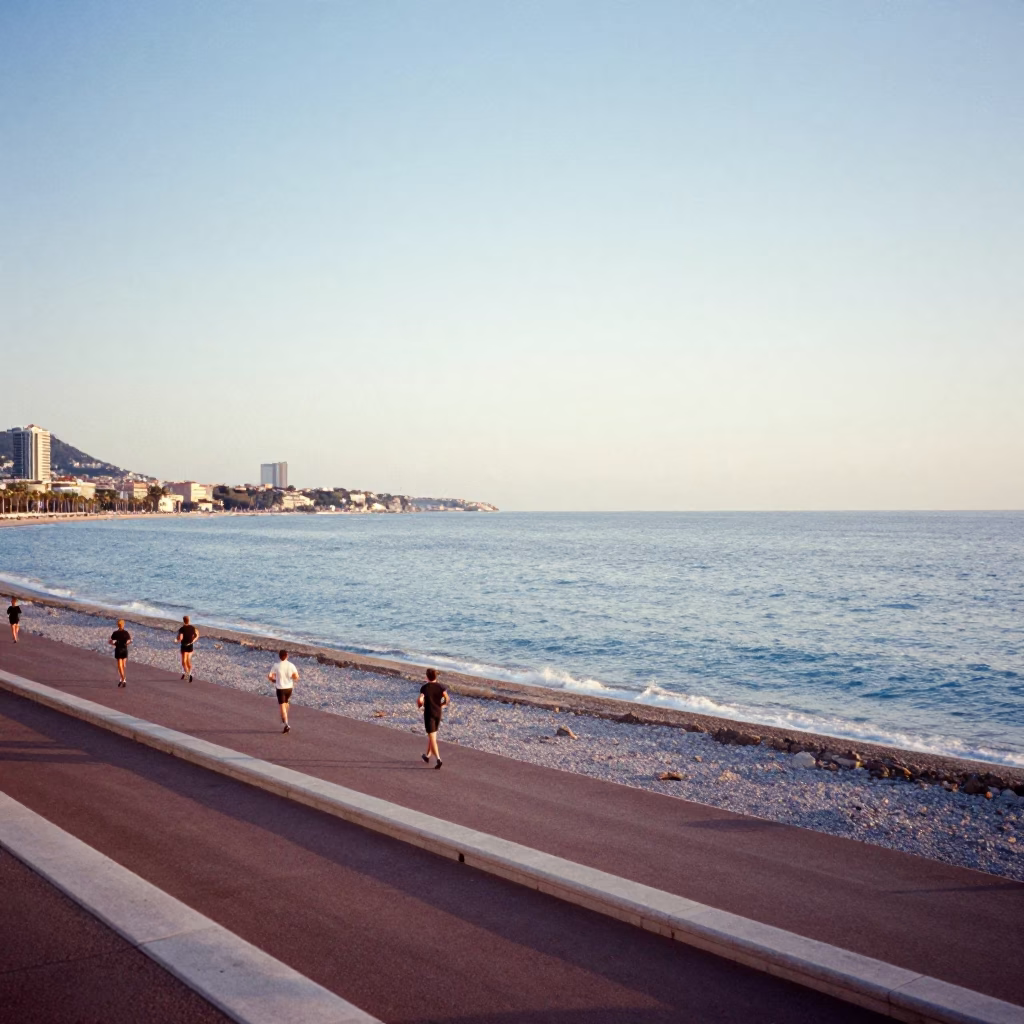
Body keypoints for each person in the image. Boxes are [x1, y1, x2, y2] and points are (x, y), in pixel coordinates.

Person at [417, 668, 449, 769]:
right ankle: (427, 756)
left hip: (429, 714)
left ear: (427, 676)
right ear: (436, 676)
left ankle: (438, 759)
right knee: (432, 735)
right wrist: (442, 705)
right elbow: (447, 699)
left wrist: (420, 701)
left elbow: (419, 703)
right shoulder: (441, 687)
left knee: (433, 738)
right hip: (438, 713)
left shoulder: (424, 688)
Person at [267, 649, 299, 733]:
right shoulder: (291, 665)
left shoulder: (276, 665)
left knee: (282, 706)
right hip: (289, 688)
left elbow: (270, 676)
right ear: (287, 655)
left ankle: (286, 724)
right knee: (286, 703)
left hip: (280, 689)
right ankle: (285, 716)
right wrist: (292, 677)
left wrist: (273, 680)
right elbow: (296, 677)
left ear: (279, 656)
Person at [108, 619, 131, 687]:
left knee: (120, 666)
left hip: (118, 650)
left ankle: (123, 679)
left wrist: (115, 644)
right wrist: (126, 643)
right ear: (123, 625)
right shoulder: (126, 633)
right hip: (124, 649)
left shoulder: (115, 633)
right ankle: (122, 679)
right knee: (123, 665)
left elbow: (111, 641)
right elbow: (128, 642)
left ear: (118, 625)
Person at [176, 615, 199, 682]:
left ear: (183, 621)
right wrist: (192, 641)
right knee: (188, 660)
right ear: (189, 620)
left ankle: (187, 675)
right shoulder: (192, 628)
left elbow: (180, 638)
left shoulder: (182, 629)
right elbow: (195, 636)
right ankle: (189, 673)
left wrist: (177, 639)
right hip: (191, 645)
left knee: (184, 662)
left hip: (184, 645)